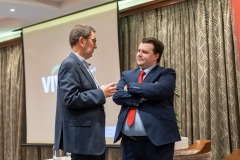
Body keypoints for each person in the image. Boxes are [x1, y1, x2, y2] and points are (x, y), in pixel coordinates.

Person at [54, 24, 117, 160]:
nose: (96, 46)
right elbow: (70, 98)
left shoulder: (81, 64)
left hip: (90, 141)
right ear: (82, 41)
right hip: (84, 142)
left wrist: (101, 91)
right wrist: (101, 93)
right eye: (93, 41)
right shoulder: (70, 64)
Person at [112, 37, 181, 160]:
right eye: (139, 50)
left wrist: (131, 86)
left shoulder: (166, 73)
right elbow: (117, 96)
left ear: (156, 56)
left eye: (144, 52)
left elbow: (158, 91)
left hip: (157, 143)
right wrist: (139, 98)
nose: (139, 54)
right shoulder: (127, 74)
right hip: (129, 143)